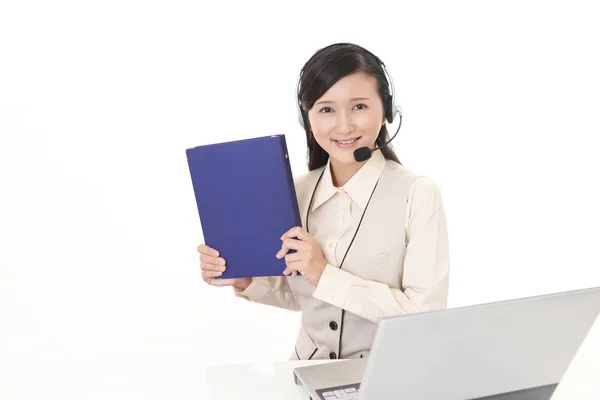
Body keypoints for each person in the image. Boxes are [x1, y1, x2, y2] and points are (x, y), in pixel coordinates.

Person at [197, 42, 450, 361]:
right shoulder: (296, 190)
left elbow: (425, 314)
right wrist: (245, 279)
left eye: (359, 106)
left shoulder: (418, 195)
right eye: (327, 109)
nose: (344, 126)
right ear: (308, 118)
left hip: (386, 377)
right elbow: (299, 294)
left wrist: (323, 273)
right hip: (306, 372)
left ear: (386, 109)